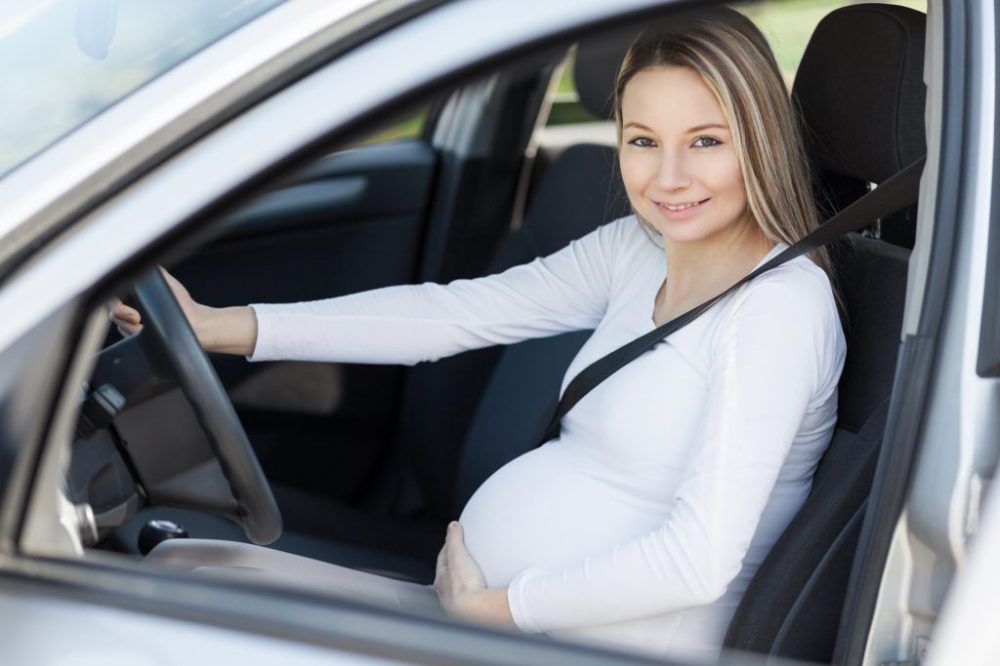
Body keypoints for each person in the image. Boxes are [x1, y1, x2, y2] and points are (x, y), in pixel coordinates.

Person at [112, 8, 846, 661]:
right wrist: (221, 326)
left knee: (160, 614)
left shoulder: (780, 308)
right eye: (643, 140)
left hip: (580, 645)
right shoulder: (639, 248)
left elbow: (699, 559)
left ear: (759, 138)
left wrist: (492, 611)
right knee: (186, 571)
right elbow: (453, 314)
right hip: (490, 618)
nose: (669, 176)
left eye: (706, 140)